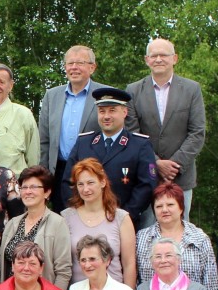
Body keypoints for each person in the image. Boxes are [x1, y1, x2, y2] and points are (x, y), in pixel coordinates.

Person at [126, 38, 206, 219]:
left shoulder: (192, 89)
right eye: (154, 55)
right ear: (147, 60)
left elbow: (197, 133)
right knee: (146, 237)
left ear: (175, 58)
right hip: (145, 177)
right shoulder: (133, 90)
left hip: (180, 179)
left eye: (164, 55)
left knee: (179, 237)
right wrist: (155, 163)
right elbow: (132, 133)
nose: (159, 59)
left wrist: (173, 166)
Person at [60, 88, 157, 220]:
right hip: (85, 219)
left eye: (112, 110)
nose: (106, 116)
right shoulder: (84, 142)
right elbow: (68, 181)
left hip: (123, 220)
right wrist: (80, 212)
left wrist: (123, 216)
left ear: (124, 112)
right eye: (102, 111)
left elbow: (146, 186)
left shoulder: (140, 145)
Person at [38, 45, 107, 211]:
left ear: (92, 67)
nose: (74, 68)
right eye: (70, 63)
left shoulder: (105, 94)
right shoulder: (51, 96)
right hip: (59, 171)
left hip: (93, 171)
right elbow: (44, 140)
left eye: (80, 63)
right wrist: (43, 176)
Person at [61, 158, 137, 288]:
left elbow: (129, 264)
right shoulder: (66, 217)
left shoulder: (121, 217)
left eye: (90, 183)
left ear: (102, 182)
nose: (85, 189)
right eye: (80, 184)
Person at [0, 165, 72, 289]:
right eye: (24, 187)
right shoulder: (12, 223)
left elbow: (63, 272)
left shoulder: (58, 223)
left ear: (47, 192)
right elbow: (0, 267)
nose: (28, 191)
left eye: (33, 187)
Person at [136, 181, 217, 290]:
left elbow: (211, 284)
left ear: (181, 208)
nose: (164, 210)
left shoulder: (200, 239)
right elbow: (135, 280)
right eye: (159, 206)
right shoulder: (141, 238)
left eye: (170, 204)